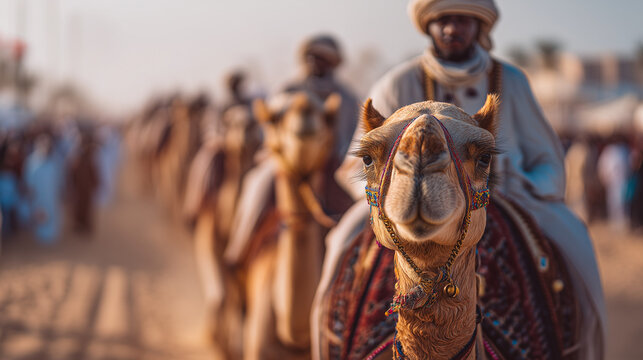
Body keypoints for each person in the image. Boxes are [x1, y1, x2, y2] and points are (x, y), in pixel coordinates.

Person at [313, 1, 606, 359]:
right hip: (399, 198)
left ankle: (586, 346)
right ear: (429, 25)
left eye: (462, 20)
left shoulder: (510, 82)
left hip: (508, 194)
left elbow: (548, 161)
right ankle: (325, 342)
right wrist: (382, 194)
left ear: (479, 26)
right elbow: (352, 166)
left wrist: (525, 183)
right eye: (443, 20)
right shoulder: (398, 82)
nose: (452, 29)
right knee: (340, 245)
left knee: (576, 242)